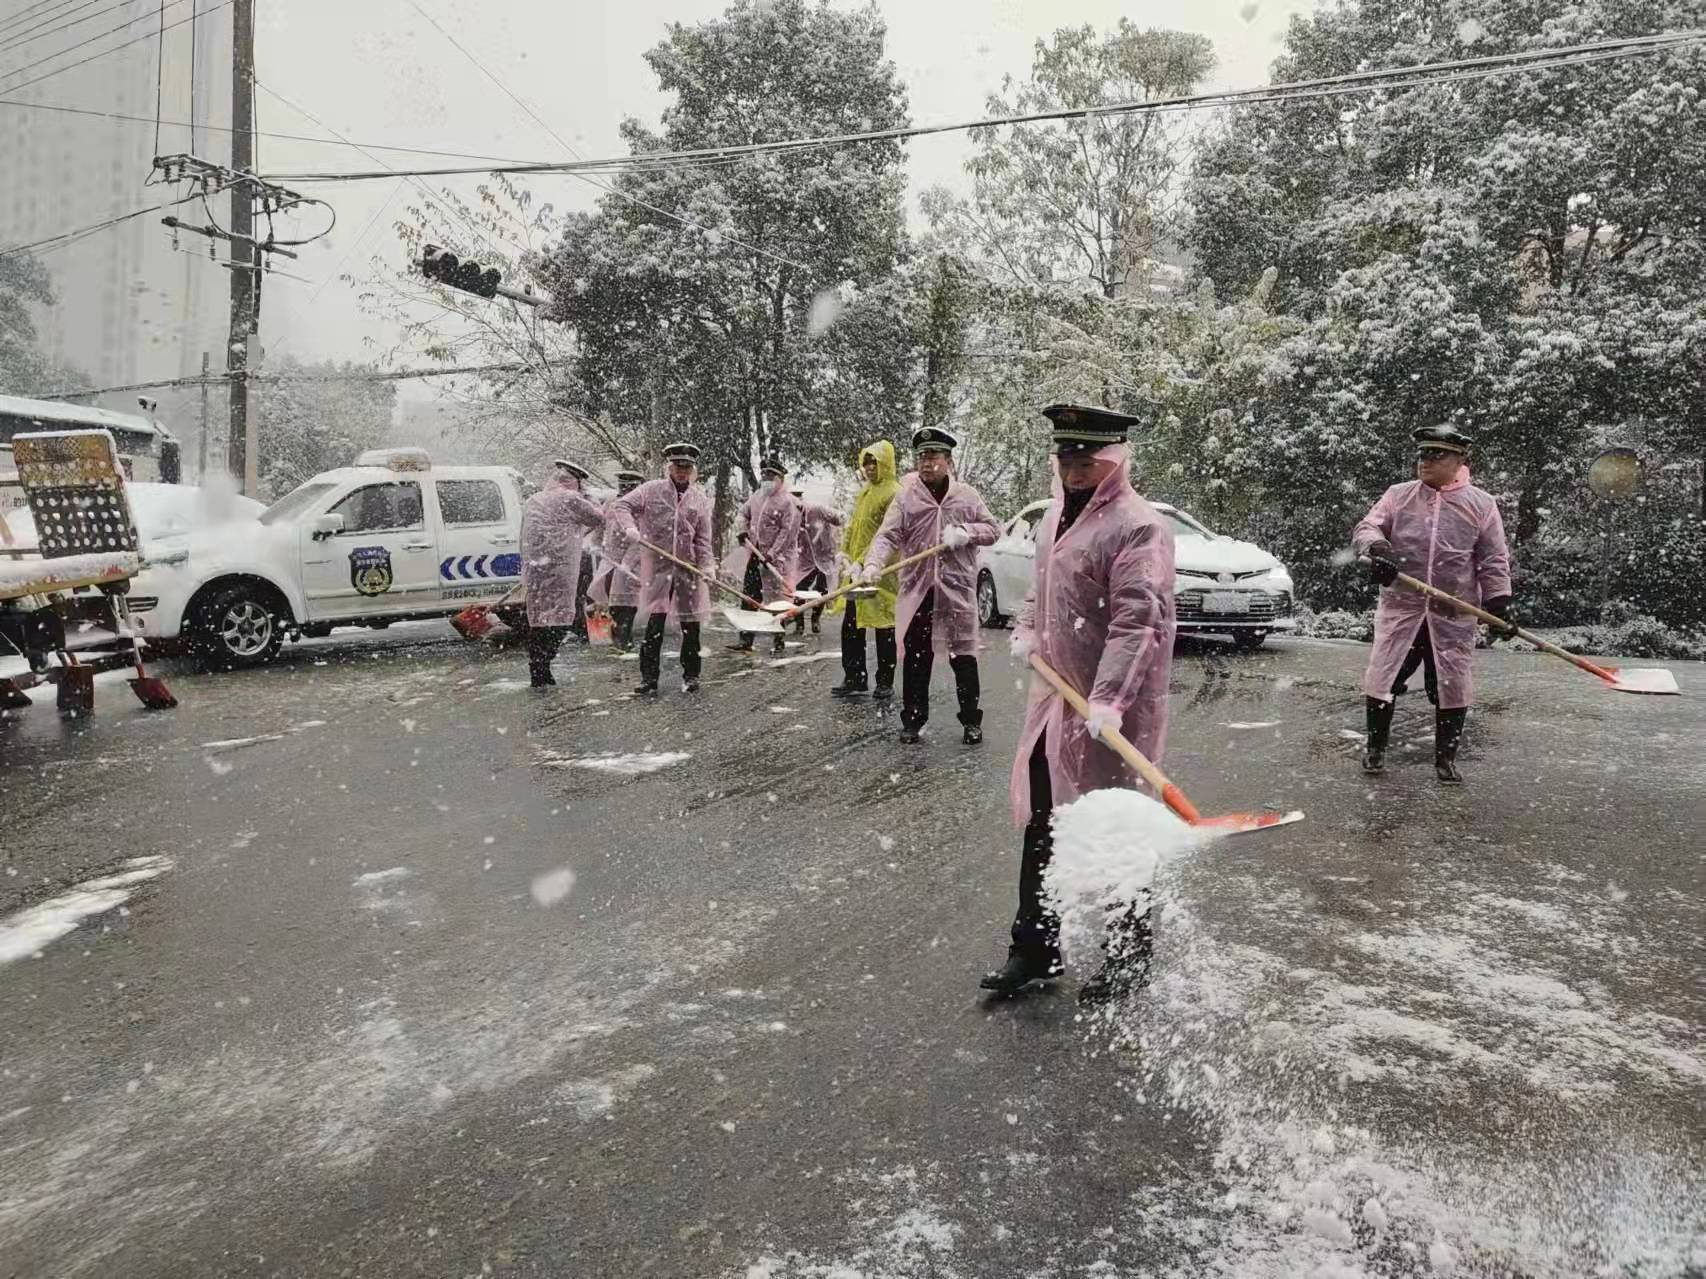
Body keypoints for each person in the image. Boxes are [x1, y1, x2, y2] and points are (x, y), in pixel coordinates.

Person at [980, 405, 1176, 1002]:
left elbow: (1136, 621)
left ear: (1114, 460)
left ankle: (1128, 958)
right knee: (1044, 824)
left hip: (1113, 713)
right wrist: (1028, 628)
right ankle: (1034, 949)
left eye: (1088, 460)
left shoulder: (1138, 527)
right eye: (1067, 458)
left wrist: (1110, 699)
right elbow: (1044, 591)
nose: (1075, 470)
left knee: (1115, 830)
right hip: (1055, 705)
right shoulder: (1054, 521)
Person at [1353, 425, 1513, 784]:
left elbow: (1493, 559)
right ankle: (1375, 749)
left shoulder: (1481, 505)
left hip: (1452, 612)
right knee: (1383, 678)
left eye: (1436, 455)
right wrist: (1378, 548)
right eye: (1423, 454)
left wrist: (1499, 601)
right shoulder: (1398, 496)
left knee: (1451, 683)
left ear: (1460, 461)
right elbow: (1367, 528)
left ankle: (1446, 759)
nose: (1426, 461)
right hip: (1402, 608)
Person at [860, 427, 998, 745]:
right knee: (916, 658)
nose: (926, 463)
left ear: (948, 460)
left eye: (933, 456)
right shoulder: (907, 497)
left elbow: (993, 529)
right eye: (922, 456)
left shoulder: (967, 496)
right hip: (919, 591)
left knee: (963, 656)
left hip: (957, 590)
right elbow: (887, 535)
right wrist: (873, 565)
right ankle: (913, 720)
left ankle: (970, 721)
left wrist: (965, 532)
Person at [610, 443, 714, 695]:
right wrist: (630, 528)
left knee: (691, 625)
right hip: (657, 568)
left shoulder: (699, 500)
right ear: (670, 467)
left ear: (692, 470)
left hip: (687, 568)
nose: (682, 472)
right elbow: (621, 506)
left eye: (687, 467)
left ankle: (691, 675)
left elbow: (702, 539)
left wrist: (707, 565)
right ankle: (648, 679)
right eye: (678, 466)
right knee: (654, 624)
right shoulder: (650, 490)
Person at [521, 459, 607, 688]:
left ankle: (537, 668)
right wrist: (588, 496)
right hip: (559, 568)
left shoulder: (533, 499)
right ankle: (543, 666)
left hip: (535, 568)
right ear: (575, 483)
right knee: (560, 617)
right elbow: (598, 517)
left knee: (539, 618)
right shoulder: (570, 498)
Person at [830, 441, 900, 700]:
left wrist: (865, 561)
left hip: (882, 572)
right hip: (855, 570)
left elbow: (886, 535)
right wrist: (846, 553)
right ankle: (855, 676)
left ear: (886, 463)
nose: (870, 468)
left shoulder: (894, 492)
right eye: (866, 462)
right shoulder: (867, 491)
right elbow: (855, 527)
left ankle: (885, 680)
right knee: (852, 625)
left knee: (884, 626)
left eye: (875, 462)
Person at [727, 458, 800, 657]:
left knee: (777, 602)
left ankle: (778, 641)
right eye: (764, 475)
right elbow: (743, 514)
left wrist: (772, 553)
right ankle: (746, 639)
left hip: (776, 560)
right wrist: (742, 530)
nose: (766, 479)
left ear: (780, 479)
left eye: (771, 475)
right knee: (750, 597)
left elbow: (787, 532)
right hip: (755, 555)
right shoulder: (757, 496)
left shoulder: (787, 502)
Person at [588, 469, 647, 651]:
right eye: (623, 485)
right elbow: (600, 523)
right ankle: (617, 640)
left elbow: (641, 539)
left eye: (630, 486)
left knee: (627, 604)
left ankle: (625, 641)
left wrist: (627, 564)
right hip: (610, 559)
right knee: (612, 602)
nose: (625, 489)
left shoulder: (642, 506)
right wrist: (596, 543)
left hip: (632, 563)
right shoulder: (612, 502)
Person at [789, 486, 843, 637]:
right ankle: (799, 625)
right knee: (799, 588)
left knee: (822, 590)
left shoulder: (817, 510)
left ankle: (815, 618)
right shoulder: (789, 517)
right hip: (806, 558)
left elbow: (838, 518)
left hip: (825, 556)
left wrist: (837, 518)